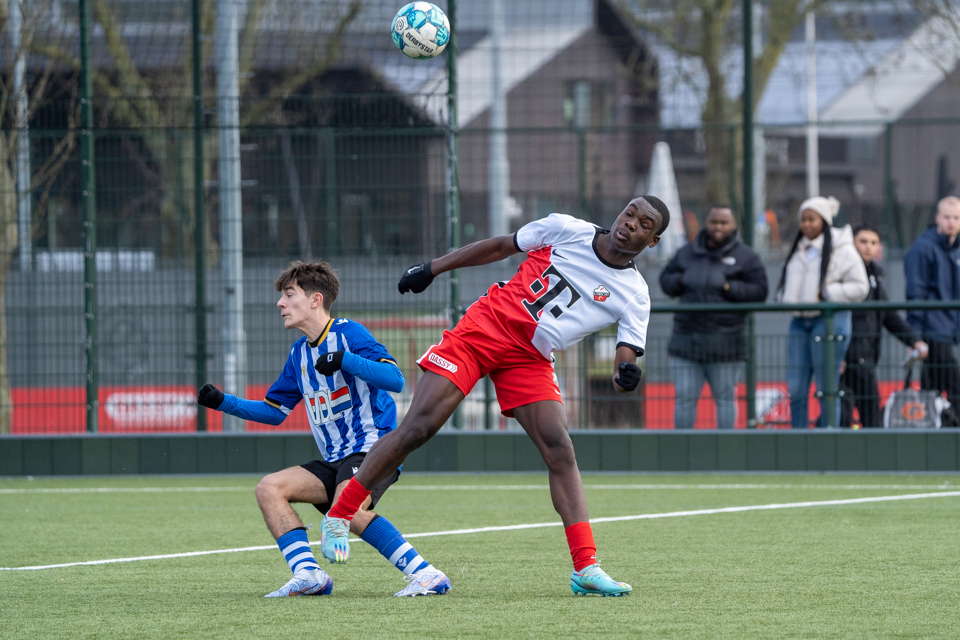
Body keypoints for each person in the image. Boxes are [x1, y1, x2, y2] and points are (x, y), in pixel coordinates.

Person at [318, 196, 671, 597]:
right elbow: (502, 245)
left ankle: (586, 567)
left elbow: (628, 354)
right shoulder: (568, 229)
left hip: (530, 357)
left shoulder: (636, 293)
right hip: (483, 329)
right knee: (419, 428)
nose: (631, 224)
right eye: (629, 212)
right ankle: (340, 514)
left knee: (560, 449)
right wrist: (432, 268)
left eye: (645, 224)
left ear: (654, 240)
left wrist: (626, 373)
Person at [197, 261, 451, 598]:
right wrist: (223, 402)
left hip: (373, 449)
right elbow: (275, 412)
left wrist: (344, 359)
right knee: (269, 488)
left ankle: (427, 575)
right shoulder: (298, 353)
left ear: (316, 300)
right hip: (334, 459)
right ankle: (309, 574)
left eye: (289, 295)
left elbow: (396, 379)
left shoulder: (349, 333)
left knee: (347, 509)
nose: (280, 303)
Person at [659, 205, 768, 429]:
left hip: (726, 344)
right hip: (686, 342)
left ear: (733, 225)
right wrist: (681, 281)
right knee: (684, 400)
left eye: (724, 222)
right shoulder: (686, 252)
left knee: (726, 399)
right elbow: (665, 281)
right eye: (714, 222)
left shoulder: (746, 257)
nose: (718, 227)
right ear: (706, 223)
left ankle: (726, 451)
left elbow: (760, 291)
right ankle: (684, 450)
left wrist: (729, 286)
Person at [777, 196, 869, 429]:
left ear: (824, 222)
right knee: (796, 388)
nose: (806, 224)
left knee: (826, 387)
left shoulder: (843, 249)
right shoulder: (798, 250)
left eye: (812, 219)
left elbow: (861, 287)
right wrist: (785, 298)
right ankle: (798, 438)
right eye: (803, 220)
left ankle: (828, 439)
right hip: (799, 322)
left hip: (829, 322)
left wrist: (828, 293)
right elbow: (786, 285)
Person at [840, 225, 928, 428]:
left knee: (872, 419)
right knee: (839, 418)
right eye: (863, 241)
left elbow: (889, 316)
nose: (868, 247)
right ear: (852, 243)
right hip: (844, 361)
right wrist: (837, 354)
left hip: (866, 360)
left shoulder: (875, 276)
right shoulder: (843, 272)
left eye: (873, 242)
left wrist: (913, 340)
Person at [904, 195, 960, 427]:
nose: (951, 222)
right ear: (937, 218)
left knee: (932, 387)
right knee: (954, 384)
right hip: (933, 330)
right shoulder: (923, 248)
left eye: (956, 217)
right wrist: (915, 336)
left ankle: (935, 431)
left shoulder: (955, 250)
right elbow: (915, 293)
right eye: (947, 217)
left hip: (949, 329)